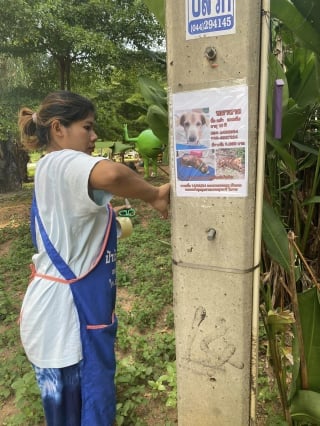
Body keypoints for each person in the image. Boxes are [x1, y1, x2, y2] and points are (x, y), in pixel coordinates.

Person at [18, 90, 170, 426]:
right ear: (59, 129)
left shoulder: (51, 170)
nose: (94, 135)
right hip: (64, 322)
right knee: (80, 415)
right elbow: (113, 175)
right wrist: (155, 195)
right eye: (87, 127)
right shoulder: (61, 162)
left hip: (60, 317)